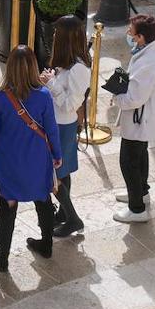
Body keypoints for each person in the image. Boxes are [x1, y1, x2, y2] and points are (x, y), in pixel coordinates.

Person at [0, 45, 61, 271]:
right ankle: (46, 245)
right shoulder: (44, 96)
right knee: (43, 199)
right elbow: (51, 129)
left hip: (8, 160)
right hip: (37, 158)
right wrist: (57, 154)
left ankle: (3, 257)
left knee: (8, 205)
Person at [112, 14, 155, 223]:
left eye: (131, 32)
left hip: (140, 120)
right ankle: (140, 192)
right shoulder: (150, 51)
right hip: (144, 118)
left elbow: (134, 99)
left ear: (141, 37)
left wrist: (116, 95)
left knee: (129, 162)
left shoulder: (149, 63)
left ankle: (136, 209)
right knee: (140, 156)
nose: (128, 33)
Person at [41, 15, 90, 237]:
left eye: (56, 33)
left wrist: (51, 84)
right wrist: (52, 79)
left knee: (55, 175)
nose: (53, 36)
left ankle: (73, 219)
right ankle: (63, 213)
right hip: (56, 124)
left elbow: (71, 105)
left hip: (62, 127)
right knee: (63, 171)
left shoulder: (79, 69)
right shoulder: (67, 64)